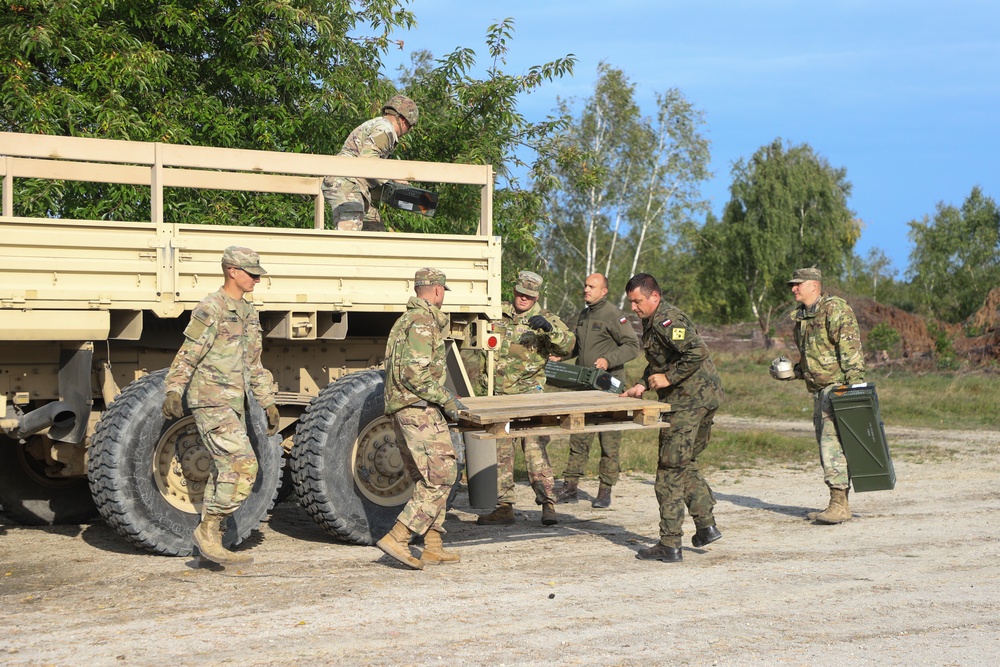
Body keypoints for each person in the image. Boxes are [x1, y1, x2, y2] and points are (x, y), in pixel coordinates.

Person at [162, 246, 281, 567]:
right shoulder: (211, 308)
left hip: (235, 404)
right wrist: (174, 389)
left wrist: (267, 402)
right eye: (251, 273)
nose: (257, 278)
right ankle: (208, 530)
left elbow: (254, 364)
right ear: (232, 271)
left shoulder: (249, 313)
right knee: (243, 466)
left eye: (258, 273)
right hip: (210, 400)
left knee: (224, 470)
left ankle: (211, 543)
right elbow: (189, 352)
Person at [622, 273, 723, 563]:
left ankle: (669, 543)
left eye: (637, 301)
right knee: (684, 462)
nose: (633, 308)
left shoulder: (668, 320)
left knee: (669, 470)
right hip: (701, 399)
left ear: (654, 296)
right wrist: (643, 383)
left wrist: (668, 378)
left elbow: (696, 351)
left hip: (689, 402)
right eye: (631, 302)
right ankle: (705, 527)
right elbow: (661, 359)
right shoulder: (653, 321)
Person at [376, 268, 466, 570]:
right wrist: (447, 400)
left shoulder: (404, 321)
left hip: (404, 408)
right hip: (418, 409)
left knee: (427, 478)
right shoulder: (423, 322)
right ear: (438, 291)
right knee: (442, 476)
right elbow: (415, 374)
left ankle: (432, 545)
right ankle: (398, 537)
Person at [476, 271, 576, 527]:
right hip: (499, 398)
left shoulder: (546, 320)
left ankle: (548, 504)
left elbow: (568, 345)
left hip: (529, 397)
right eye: (521, 293)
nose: (523, 298)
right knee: (501, 453)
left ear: (537, 296)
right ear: (514, 290)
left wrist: (550, 330)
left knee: (534, 451)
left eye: (529, 296)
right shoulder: (497, 313)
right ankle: (504, 507)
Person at [779, 267, 865, 524]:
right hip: (820, 391)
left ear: (814, 285)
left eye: (798, 284)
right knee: (829, 446)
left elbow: (851, 351)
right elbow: (813, 361)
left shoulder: (834, 309)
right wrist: (791, 373)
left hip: (838, 389)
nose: (793, 288)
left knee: (832, 446)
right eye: (792, 284)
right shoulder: (803, 317)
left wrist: (855, 390)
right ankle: (839, 503)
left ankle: (839, 505)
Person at [558, 273, 640, 508]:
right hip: (584, 385)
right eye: (585, 285)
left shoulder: (614, 315)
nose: (586, 289)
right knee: (579, 434)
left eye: (591, 286)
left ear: (604, 291)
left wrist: (608, 359)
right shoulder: (585, 314)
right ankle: (571, 486)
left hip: (608, 385)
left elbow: (633, 346)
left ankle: (605, 489)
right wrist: (561, 356)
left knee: (609, 438)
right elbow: (580, 347)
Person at [321, 94, 418, 232]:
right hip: (346, 182)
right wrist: (395, 176)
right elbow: (368, 162)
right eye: (410, 126)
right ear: (403, 120)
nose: (409, 131)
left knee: (375, 228)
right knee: (350, 230)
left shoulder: (379, 125)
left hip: (356, 185)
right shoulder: (385, 130)